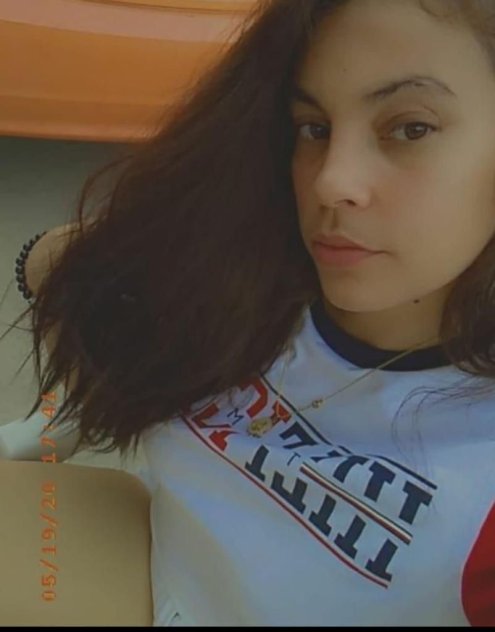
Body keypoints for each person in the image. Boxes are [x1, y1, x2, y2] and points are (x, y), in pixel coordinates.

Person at [1, 0, 495, 625]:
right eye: (313, 127)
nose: (331, 181)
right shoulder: (247, 286)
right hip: (143, 566)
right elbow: (67, 268)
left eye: (410, 128)